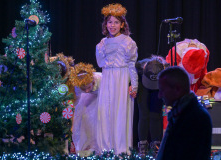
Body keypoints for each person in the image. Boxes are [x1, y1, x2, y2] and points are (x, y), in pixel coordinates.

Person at [95, 3, 138, 155]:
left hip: (121, 79)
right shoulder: (102, 43)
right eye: (110, 22)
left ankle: (121, 150)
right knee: (105, 113)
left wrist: (134, 85)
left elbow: (132, 65)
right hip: (107, 79)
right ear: (105, 24)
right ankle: (106, 149)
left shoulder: (128, 42)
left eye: (116, 22)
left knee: (120, 114)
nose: (112, 25)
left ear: (122, 24)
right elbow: (100, 63)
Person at [156, 66, 212, 160]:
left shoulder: (196, 117)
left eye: (162, 90)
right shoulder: (182, 113)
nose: (159, 95)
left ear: (177, 89)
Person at [135, 55, 169, 154]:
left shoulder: (166, 68)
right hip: (143, 85)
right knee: (143, 115)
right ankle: (142, 144)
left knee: (155, 116)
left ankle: (156, 144)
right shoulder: (139, 66)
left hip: (158, 86)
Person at [69, 62, 102, 157]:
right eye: (84, 89)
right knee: (83, 117)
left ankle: (100, 146)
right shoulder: (77, 86)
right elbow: (76, 101)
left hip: (102, 97)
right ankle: (87, 145)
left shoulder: (100, 78)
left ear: (92, 81)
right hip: (87, 99)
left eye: (88, 87)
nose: (87, 90)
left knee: (99, 117)